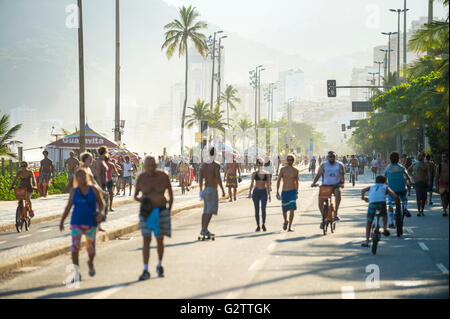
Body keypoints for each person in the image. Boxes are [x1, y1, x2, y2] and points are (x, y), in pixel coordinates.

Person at [59, 168, 105, 282]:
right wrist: (61, 221)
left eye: (84, 175)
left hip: (91, 223)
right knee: (75, 248)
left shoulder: (93, 189)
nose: (81, 178)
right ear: (76, 178)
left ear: (87, 177)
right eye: (79, 176)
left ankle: (90, 262)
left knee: (91, 249)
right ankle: (76, 273)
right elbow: (68, 206)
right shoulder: (74, 191)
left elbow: (101, 203)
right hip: (76, 223)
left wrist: (100, 213)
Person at [134, 156, 173, 280]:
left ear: (157, 165)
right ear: (144, 166)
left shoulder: (163, 176)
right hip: (147, 212)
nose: (151, 168)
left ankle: (159, 264)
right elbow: (135, 195)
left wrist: (169, 210)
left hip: (161, 211)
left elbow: (171, 194)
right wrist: (143, 201)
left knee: (159, 240)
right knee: (146, 240)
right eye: (148, 166)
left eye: (153, 165)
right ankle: (145, 269)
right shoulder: (141, 178)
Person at [311, 151, 345, 228]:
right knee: (320, 202)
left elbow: (342, 175)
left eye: (333, 156)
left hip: (336, 185)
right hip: (325, 186)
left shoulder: (340, 165)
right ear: (327, 157)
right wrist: (313, 183)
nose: (331, 158)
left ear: (335, 157)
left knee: (338, 193)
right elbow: (318, 175)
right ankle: (324, 218)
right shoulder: (323, 165)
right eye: (330, 157)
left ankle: (336, 213)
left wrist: (342, 183)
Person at [360, 176, 397, 247]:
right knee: (385, 215)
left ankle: (367, 241)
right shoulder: (385, 187)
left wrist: (363, 198)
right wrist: (396, 202)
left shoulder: (371, 186)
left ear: (375, 181)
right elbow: (394, 195)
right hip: (381, 204)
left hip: (372, 204)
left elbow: (362, 190)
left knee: (369, 222)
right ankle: (385, 229)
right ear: (384, 182)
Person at [199, 147, 226, 237]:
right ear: (215, 154)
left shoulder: (203, 165)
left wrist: (200, 190)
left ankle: (203, 228)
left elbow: (200, 179)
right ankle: (204, 229)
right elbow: (218, 178)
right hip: (212, 190)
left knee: (205, 210)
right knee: (210, 210)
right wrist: (222, 189)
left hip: (205, 189)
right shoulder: (215, 165)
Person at [384, 151, 413, 229]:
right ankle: (405, 208)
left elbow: (384, 179)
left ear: (390, 159)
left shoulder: (388, 168)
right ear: (398, 159)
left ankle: (390, 223)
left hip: (392, 191)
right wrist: (410, 182)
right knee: (404, 196)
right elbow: (407, 176)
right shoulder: (401, 167)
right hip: (401, 189)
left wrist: (385, 185)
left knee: (390, 204)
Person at [276, 154, 299, 232]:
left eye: (291, 160)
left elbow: (296, 182)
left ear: (293, 161)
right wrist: (277, 191)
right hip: (284, 191)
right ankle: (285, 221)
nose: (289, 161)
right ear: (286, 160)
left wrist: (297, 192)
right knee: (284, 209)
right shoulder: (282, 169)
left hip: (292, 191)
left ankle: (290, 226)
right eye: (288, 160)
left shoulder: (296, 170)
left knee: (292, 209)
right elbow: (278, 180)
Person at [248, 158, 271, 232]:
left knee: (263, 209)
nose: (260, 164)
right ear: (257, 164)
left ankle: (263, 224)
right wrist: (250, 192)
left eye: (261, 163)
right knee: (256, 210)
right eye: (258, 163)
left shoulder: (267, 173)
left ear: (263, 164)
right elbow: (251, 183)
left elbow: (268, 185)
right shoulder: (254, 174)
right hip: (256, 192)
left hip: (264, 192)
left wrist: (269, 195)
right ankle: (258, 225)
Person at [412, 152, 431, 216]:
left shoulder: (426, 165)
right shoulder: (415, 164)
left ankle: (422, 210)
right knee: (418, 197)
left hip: (424, 183)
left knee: (424, 198)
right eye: (418, 156)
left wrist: (429, 181)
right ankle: (419, 211)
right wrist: (413, 176)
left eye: (420, 156)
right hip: (417, 183)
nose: (419, 157)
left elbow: (428, 173)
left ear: (423, 157)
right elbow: (409, 169)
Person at [436, 151, 449, 216]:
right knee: (443, 198)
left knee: (447, 199)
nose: (444, 158)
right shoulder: (439, 166)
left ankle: (445, 207)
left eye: (445, 157)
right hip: (442, 184)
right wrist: (436, 186)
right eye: (442, 157)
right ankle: (444, 211)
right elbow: (436, 177)